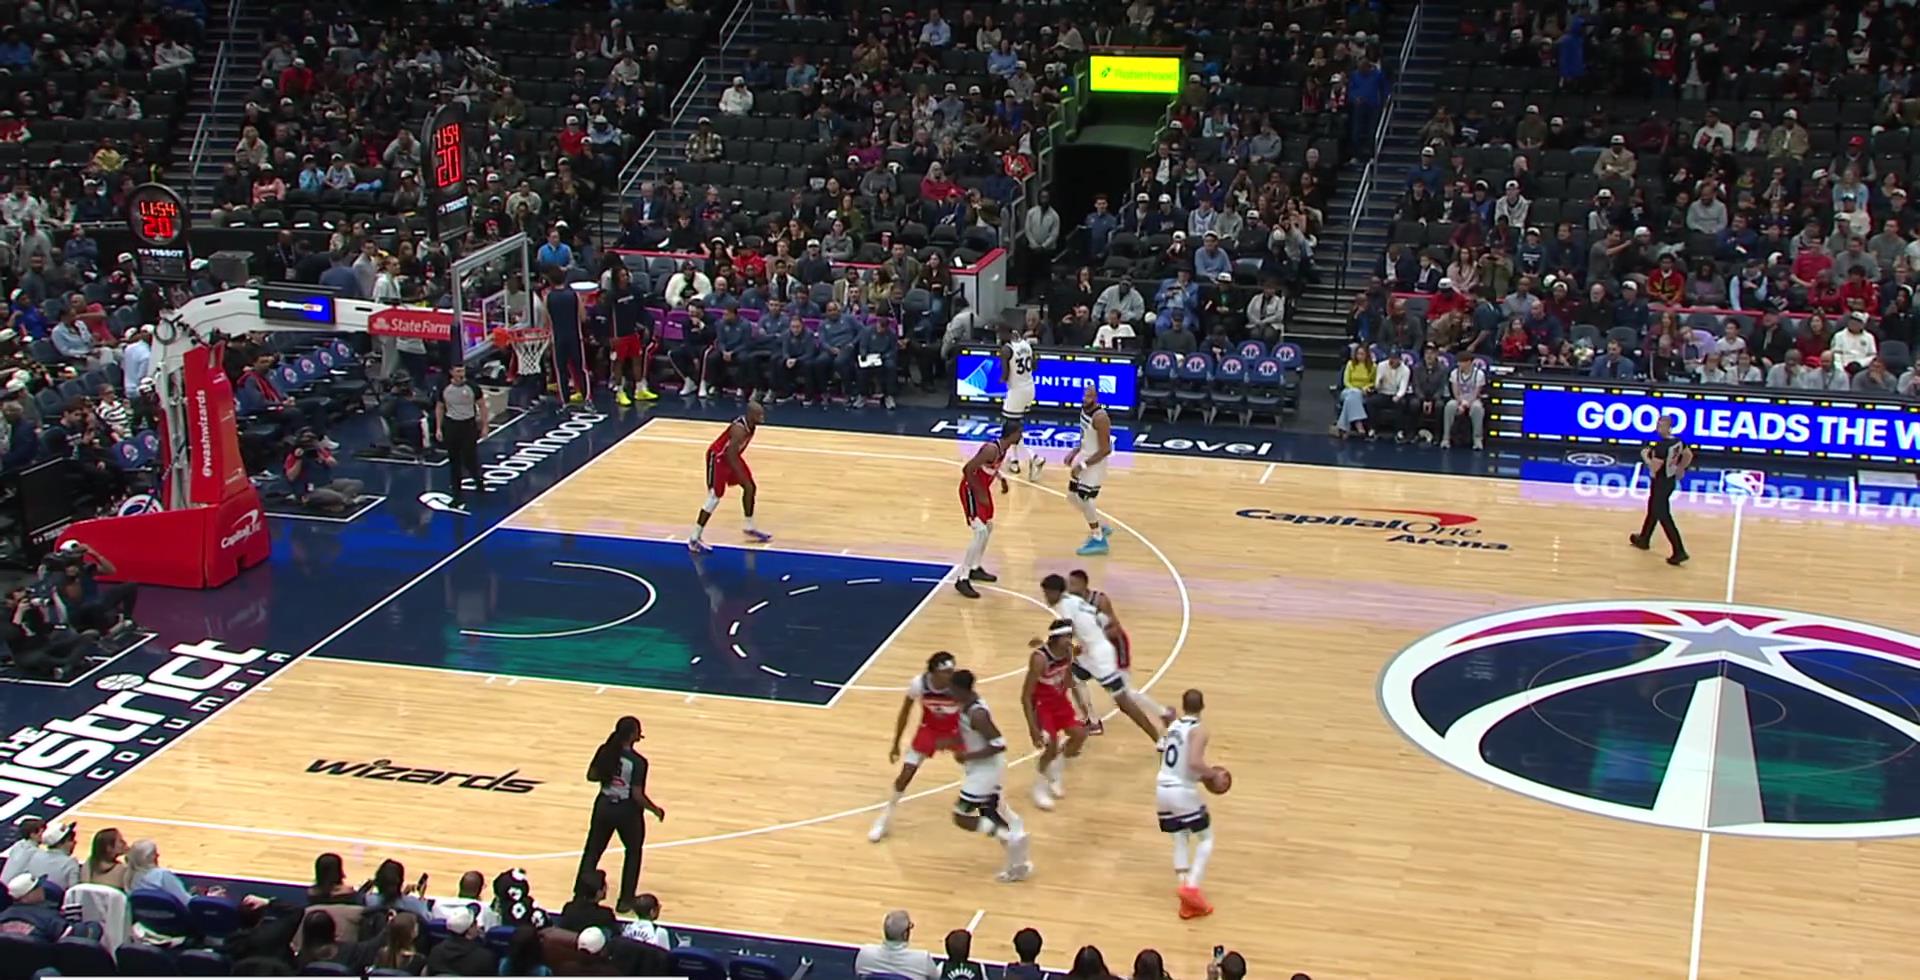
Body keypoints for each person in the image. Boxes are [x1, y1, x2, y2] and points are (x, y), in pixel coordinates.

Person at [1042, 574, 1165, 742]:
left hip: (1100, 657)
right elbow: (1100, 619)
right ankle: (1091, 721)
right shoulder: (1073, 600)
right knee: (1071, 678)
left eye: (1047, 593)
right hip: (1090, 651)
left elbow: (1065, 638)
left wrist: (1051, 651)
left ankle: (1158, 738)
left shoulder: (1064, 607)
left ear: (1055, 592)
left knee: (1124, 703)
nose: (1046, 598)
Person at [948, 669, 1033, 882]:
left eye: (952, 689)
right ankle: (1018, 863)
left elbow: (999, 743)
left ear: (961, 690)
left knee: (961, 815)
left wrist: (968, 755)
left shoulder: (978, 714)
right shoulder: (966, 705)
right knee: (992, 811)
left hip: (986, 770)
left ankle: (1010, 836)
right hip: (981, 768)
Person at [576, 716, 665, 913]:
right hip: (626, 811)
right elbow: (637, 795)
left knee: (592, 851)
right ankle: (625, 900)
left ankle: (580, 893)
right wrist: (655, 809)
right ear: (634, 735)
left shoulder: (605, 750)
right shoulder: (638, 762)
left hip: (603, 805)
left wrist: (608, 776)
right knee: (633, 852)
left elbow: (591, 776)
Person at [870, 652, 962, 842]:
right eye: (946, 671)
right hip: (929, 729)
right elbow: (905, 712)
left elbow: (972, 711)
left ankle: (991, 809)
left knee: (978, 768)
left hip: (955, 729)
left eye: (952, 670)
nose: (951, 674)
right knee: (905, 775)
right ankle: (884, 819)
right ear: (934, 672)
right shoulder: (918, 684)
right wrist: (896, 744)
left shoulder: (959, 686)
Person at [1158, 689, 1219, 919]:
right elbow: (1194, 762)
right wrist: (1211, 774)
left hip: (1162, 787)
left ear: (1184, 706)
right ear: (1203, 706)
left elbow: (1165, 754)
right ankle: (1191, 888)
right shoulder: (1199, 730)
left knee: (1180, 836)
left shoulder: (1173, 726)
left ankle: (1186, 902)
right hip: (1181, 790)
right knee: (1206, 838)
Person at [1022, 620, 1089, 811]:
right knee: (1050, 747)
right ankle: (1039, 789)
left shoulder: (1068, 651)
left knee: (1080, 735)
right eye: (1067, 636)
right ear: (1056, 638)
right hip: (1042, 706)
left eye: (1071, 636)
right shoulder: (1039, 659)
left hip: (1059, 701)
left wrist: (1081, 703)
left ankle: (1055, 772)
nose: (1070, 640)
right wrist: (1032, 728)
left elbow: (1068, 678)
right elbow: (1025, 695)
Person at [688, 401, 772, 552]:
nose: (762, 418)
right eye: (759, 415)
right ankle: (694, 538)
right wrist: (739, 474)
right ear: (751, 415)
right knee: (714, 497)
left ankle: (749, 526)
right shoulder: (739, 430)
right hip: (718, 458)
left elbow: (734, 455)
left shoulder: (751, 425)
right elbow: (729, 455)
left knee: (750, 487)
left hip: (732, 457)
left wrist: (742, 477)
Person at [954, 431, 1017, 598]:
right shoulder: (991, 449)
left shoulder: (1003, 449)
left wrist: (1001, 479)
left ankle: (975, 568)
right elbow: (967, 469)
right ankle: (962, 578)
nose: (1021, 436)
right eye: (1019, 433)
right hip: (970, 490)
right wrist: (980, 493)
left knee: (988, 527)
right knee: (980, 531)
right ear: (1012, 434)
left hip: (982, 488)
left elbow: (990, 467)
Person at [1630, 413, 1691, 565]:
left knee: (1664, 516)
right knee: (1653, 509)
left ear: (1669, 427)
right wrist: (1680, 469)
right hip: (1669, 482)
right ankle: (1644, 539)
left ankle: (1679, 551)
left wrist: (1645, 456)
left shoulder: (1662, 447)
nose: (1658, 429)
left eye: (1661, 426)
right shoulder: (1678, 442)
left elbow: (1654, 468)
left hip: (1661, 483)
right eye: (1657, 425)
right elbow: (1688, 455)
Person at [1061, 385, 1114, 556]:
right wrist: (1075, 451)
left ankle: (1098, 538)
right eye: (1085, 394)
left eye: (1090, 395)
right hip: (1084, 457)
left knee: (1084, 498)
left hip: (1095, 463)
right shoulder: (1084, 410)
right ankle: (1099, 524)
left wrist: (1082, 465)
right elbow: (1085, 437)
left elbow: (1106, 449)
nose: (1086, 398)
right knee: (1072, 496)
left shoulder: (1101, 418)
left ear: (1096, 398)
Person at [998, 322, 1043, 481]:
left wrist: (999, 380)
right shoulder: (1026, 344)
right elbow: (1035, 366)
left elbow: (1005, 376)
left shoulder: (1006, 349)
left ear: (1005, 333)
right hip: (1030, 388)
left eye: (999, 333)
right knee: (1014, 426)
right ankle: (1014, 461)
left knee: (1009, 428)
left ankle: (1034, 457)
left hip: (1017, 391)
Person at [434, 363, 483, 510]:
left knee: (470, 458)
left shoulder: (473, 387)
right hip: (452, 425)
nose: (461, 374)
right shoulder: (444, 388)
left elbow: (482, 406)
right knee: (454, 461)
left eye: (463, 371)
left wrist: (485, 425)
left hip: (468, 425)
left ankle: (478, 480)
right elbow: (440, 407)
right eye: (458, 371)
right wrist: (438, 428)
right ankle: (457, 494)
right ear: (451, 373)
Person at [608, 266, 659, 404]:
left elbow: (641, 310)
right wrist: (610, 336)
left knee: (637, 359)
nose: (625, 277)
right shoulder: (612, 295)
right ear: (616, 278)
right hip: (619, 335)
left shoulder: (635, 291)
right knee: (619, 363)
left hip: (633, 332)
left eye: (626, 275)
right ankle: (619, 392)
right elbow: (608, 317)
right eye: (622, 275)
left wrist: (645, 326)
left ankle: (640, 389)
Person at [853, 909, 938, 979]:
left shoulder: (865, 953)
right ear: (905, 934)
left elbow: (859, 974)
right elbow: (935, 978)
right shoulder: (922, 959)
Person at [0, 874, 68, 941]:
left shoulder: (2, 915)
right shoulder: (49, 917)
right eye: (36, 887)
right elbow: (69, 941)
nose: (41, 889)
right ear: (25, 898)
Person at [1442, 355, 1487, 450]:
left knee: (1477, 408)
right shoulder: (1454, 373)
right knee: (1450, 405)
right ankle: (1446, 438)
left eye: (1461, 362)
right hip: (1459, 399)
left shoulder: (1479, 374)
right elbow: (1455, 392)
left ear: (1469, 362)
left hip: (1473, 399)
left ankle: (1477, 439)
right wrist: (1461, 403)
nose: (1459, 364)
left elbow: (1476, 393)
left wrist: (1467, 404)